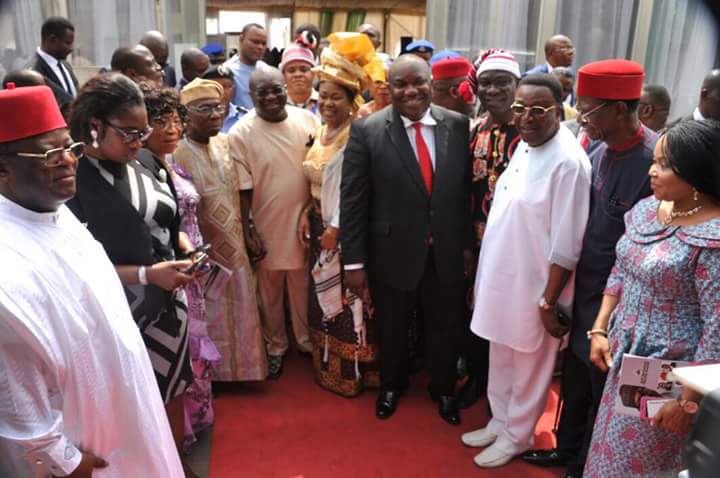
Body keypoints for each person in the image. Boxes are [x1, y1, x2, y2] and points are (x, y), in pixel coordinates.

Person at [0, 84, 183, 477]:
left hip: (124, 414)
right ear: (3, 169)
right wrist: (63, 460)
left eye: (70, 147)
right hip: (81, 448)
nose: (68, 161)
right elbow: (12, 387)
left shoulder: (54, 212)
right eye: (50, 155)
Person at [522, 59, 658, 478]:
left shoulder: (655, 162)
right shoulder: (594, 149)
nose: (580, 119)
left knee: (609, 395)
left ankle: (588, 466)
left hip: (624, 305)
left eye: (588, 111)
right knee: (576, 383)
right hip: (585, 294)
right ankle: (567, 451)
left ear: (619, 109)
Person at [66, 73, 197, 477]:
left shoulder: (147, 161)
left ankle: (174, 465)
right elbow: (75, 267)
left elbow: (169, 220)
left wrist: (185, 248)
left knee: (173, 388)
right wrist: (146, 274)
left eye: (144, 132)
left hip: (168, 302)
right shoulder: (72, 179)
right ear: (95, 125)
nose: (139, 142)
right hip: (117, 312)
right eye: (129, 133)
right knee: (132, 403)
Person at [462, 74, 591, 468]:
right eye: (520, 109)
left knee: (530, 365)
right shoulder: (525, 145)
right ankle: (500, 422)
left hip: (537, 288)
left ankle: (517, 436)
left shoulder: (568, 162)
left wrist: (548, 301)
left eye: (539, 110)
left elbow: (567, 243)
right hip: (502, 278)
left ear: (560, 109)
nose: (527, 118)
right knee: (501, 353)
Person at [340, 54, 473, 426]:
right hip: (391, 252)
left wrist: (465, 245)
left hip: (446, 251)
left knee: (445, 326)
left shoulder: (458, 125)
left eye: (418, 82)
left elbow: (465, 194)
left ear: (431, 83)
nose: (410, 91)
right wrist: (354, 262)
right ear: (388, 87)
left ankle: (443, 390)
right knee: (392, 326)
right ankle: (391, 386)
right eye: (400, 84)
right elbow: (353, 202)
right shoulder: (367, 131)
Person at [584, 119, 720, 477]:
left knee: (637, 465)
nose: (652, 171)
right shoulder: (649, 210)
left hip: (669, 374)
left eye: (664, 165)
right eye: (654, 160)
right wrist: (599, 328)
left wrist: (687, 401)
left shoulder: (712, 240)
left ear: (696, 173)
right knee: (605, 452)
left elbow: (716, 331)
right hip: (623, 354)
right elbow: (621, 267)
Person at [301, 32, 384, 397]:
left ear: (353, 101)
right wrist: (305, 211)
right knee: (323, 298)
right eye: (323, 95)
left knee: (350, 300)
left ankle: (355, 372)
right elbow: (314, 181)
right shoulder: (320, 131)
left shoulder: (358, 134)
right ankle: (328, 366)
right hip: (319, 226)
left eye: (336, 96)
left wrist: (336, 228)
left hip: (346, 231)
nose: (327, 103)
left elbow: (359, 191)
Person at [139, 82, 220, 451]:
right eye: (161, 121)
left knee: (195, 341)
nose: (172, 129)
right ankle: (177, 432)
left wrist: (193, 251)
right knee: (179, 348)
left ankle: (196, 417)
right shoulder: (140, 168)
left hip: (189, 263)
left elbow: (181, 224)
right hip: (166, 269)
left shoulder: (169, 162)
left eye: (176, 120)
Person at [175, 78, 267, 382]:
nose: (215, 115)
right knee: (211, 310)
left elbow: (243, 189)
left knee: (242, 305)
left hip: (235, 242)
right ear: (186, 114)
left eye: (218, 107)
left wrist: (249, 231)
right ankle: (213, 376)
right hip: (203, 249)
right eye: (204, 109)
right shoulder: (177, 152)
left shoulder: (227, 143)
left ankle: (244, 371)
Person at [229, 67, 319, 379]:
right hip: (265, 220)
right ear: (250, 95)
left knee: (303, 283)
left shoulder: (307, 120)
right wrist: (248, 229)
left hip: (305, 218)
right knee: (269, 289)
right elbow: (242, 187)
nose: (270, 97)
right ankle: (276, 346)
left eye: (275, 89)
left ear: (285, 88)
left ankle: (306, 342)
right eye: (261, 93)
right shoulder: (240, 132)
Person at [458, 49, 522, 410]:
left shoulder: (530, 131)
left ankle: (508, 391)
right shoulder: (473, 130)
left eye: (502, 82)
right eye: (486, 83)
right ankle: (477, 379)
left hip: (515, 246)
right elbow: (463, 191)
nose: (493, 90)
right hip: (478, 242)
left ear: (517, 85)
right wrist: (467, 244)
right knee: (475, 312)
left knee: (508, 317)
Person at [26, 17, 78, 109]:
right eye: (68, 43)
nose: (71, 48)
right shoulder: (32, 73)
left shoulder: (66, 66)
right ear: (52, 40)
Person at [224, 23, 268, 111]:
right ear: (241, 39)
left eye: (263, 43)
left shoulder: (266, 70)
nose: (260, 47)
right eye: (255, 42)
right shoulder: (228, 71)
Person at [201, 65, 245, 133]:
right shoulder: (197, 119)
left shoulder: (245, 117)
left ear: (233, 89)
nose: (221, 92)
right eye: (215, 87)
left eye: (226, 87)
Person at [280, 43, 318, 113]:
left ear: (313, 73)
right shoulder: (276, 104)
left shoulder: (323, 102)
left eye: (303, 70)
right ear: (283, 75)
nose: (297, 75)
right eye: (291, 70)